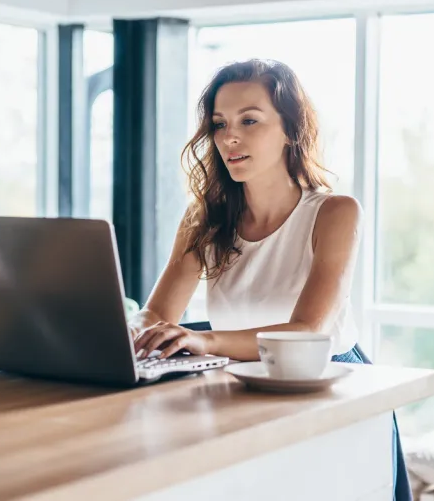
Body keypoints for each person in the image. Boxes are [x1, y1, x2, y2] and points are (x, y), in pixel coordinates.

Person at [128, 59, 412, 501]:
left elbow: (308, 332)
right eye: (219, 124)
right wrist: (127, 330)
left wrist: (206, 341)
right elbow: (156, 313)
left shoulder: (335, 212)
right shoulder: (202, 218)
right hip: (241, 387)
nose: (229, 137)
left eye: (250, 120)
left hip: (331, 388)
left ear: (290, 130)